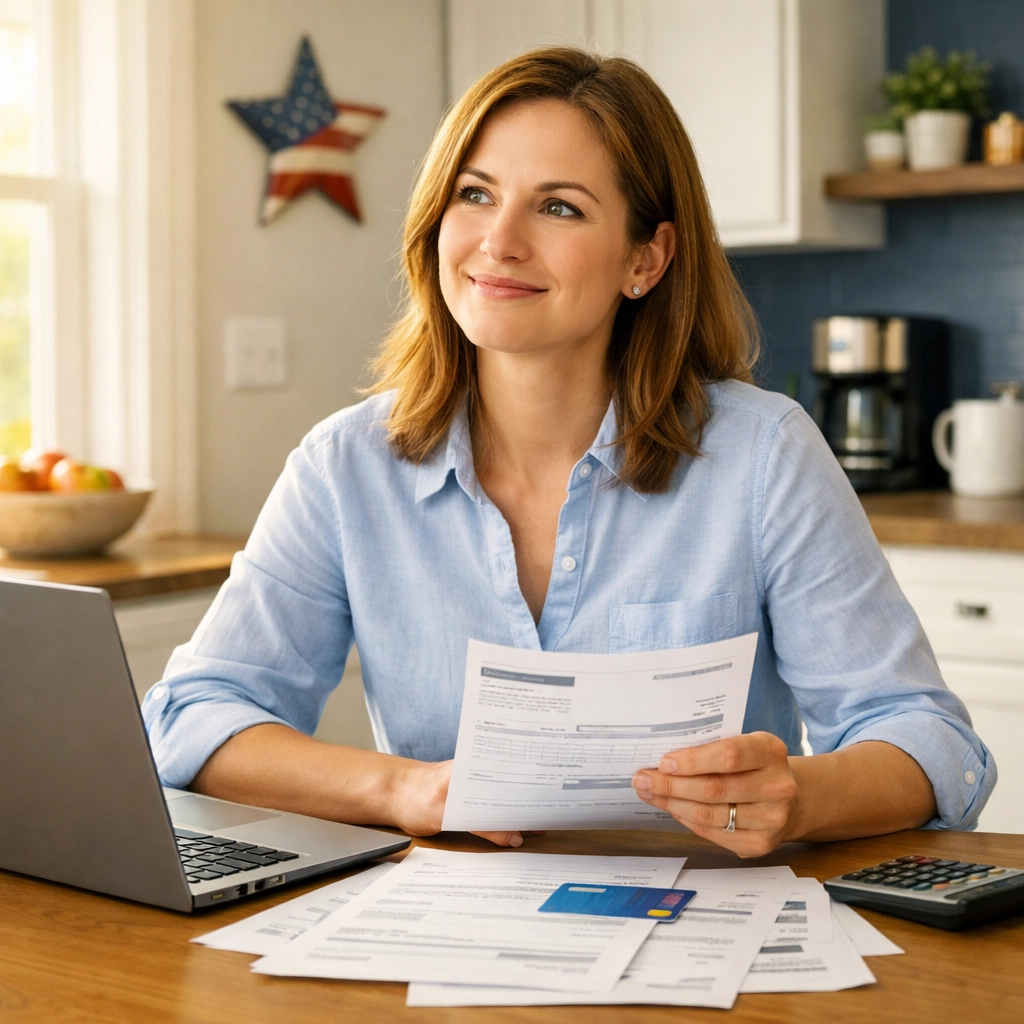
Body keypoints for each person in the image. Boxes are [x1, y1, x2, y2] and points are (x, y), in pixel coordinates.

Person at [144, 47, 994, 857]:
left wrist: (800, 796)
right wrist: (402, 791)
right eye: (475, 195)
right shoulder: (345, 467)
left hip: (708, 949)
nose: (499, 241)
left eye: (559, 207)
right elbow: (192, 717)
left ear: (646, 258)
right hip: (444, 948)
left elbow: (929, 739)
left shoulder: (762, 457)